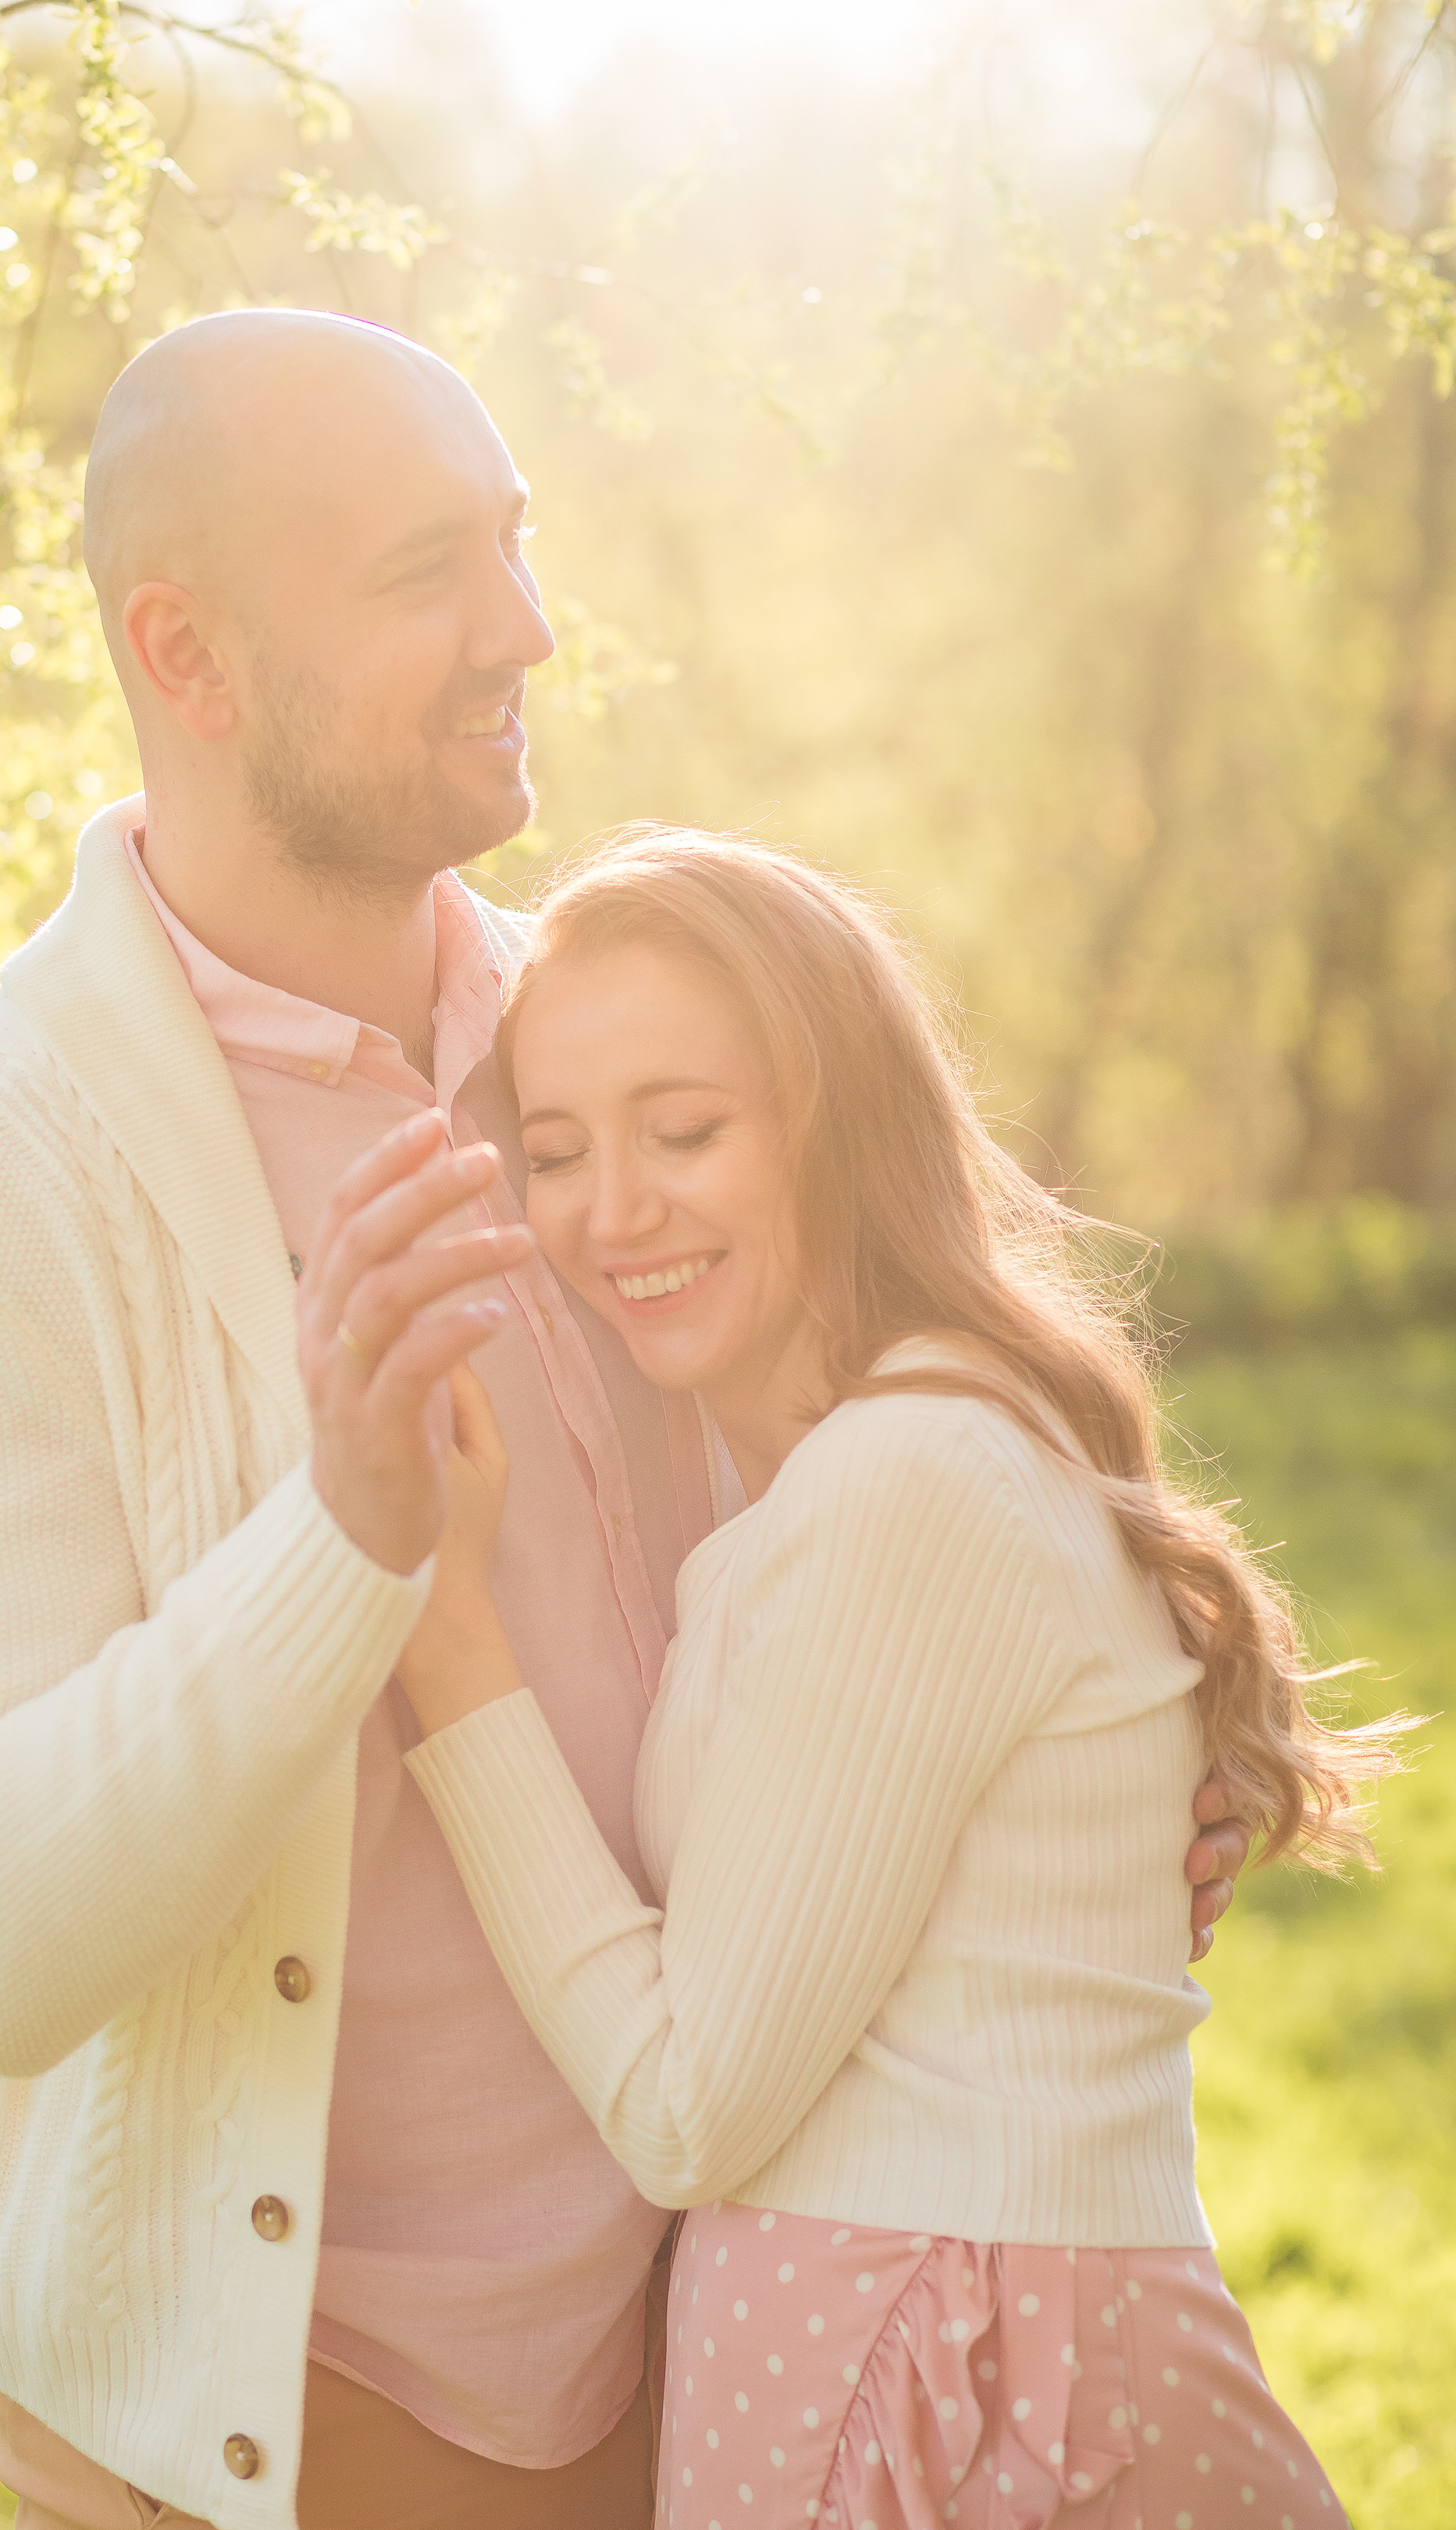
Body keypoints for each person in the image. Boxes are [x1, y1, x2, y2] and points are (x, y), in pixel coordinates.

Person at [0, 312, 1245, 2530]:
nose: (527, 629)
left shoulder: (609, 1050)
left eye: (517, 542)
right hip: (283, 2426)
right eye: (423, 573)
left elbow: (873, 1528)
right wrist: (343, 1546)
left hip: (722, 2354)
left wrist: (1080, 1778)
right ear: (183, 654)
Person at [371, 832, 1405, 2528]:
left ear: (837, 1119)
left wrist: (454, 1650)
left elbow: (688, 2110)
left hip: (937, 2362)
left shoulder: (904, 1486)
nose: (611, 1212)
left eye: (683, 1130)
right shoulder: (888, 1465)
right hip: (967, 2327)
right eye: (554, 1151)